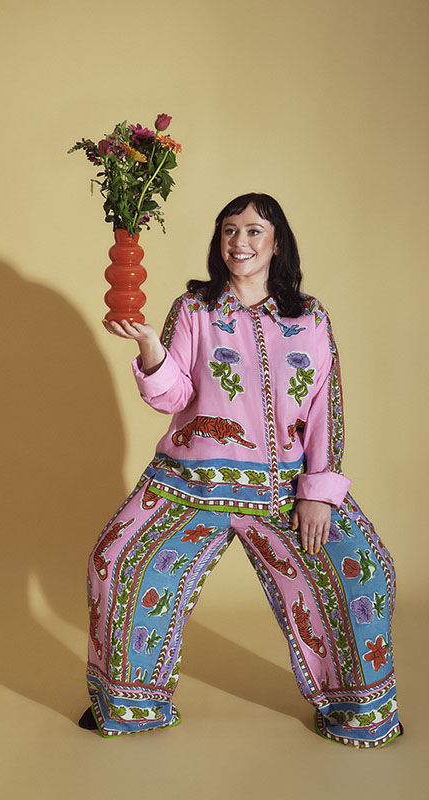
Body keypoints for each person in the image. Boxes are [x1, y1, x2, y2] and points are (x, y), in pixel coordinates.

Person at [78, 193, 402, 747]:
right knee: (115, 560)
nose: (240, 242)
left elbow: (327, 407)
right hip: (189, 483)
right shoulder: (195, 308)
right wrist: (152, 347)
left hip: (283, 491)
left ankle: (358, 712)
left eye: (254, 231)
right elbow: (174, 393)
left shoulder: (310, 316)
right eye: (230, 230)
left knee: (366, 569)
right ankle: (127, 704)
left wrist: (317, 493)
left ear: (277, 243)